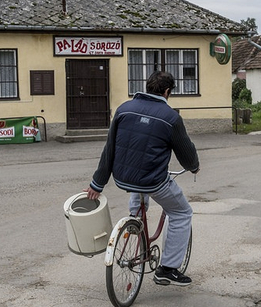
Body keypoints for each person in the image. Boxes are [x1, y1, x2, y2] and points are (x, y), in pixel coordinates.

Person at [85, 71, 200, 286]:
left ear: (146, 87)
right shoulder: (171, 117)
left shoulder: (124, 109)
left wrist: (97, 184)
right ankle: (167, 269)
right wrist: (193, 167)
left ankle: (134, 220)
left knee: (139, 182)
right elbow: (186, 154)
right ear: (167, 92)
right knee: (181, 212)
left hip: (123, 177)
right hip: (152, 180)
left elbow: (109, 148)